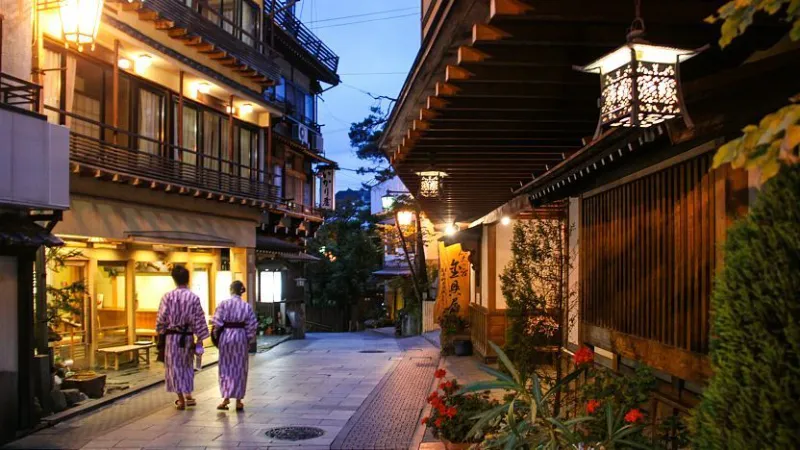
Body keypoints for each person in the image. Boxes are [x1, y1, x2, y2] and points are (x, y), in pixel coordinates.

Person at [156, 265, 209, 410]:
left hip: (172, 338)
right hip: (187, 338)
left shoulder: (167, 297)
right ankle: (189, 395)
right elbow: (199, 319)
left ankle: (181, 399)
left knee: (174, 368)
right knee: (187, 366)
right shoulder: (193, 297)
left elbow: (161, 320)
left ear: (174, 280)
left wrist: (161, 333)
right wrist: (200, 340)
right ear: (188, 279)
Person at [211, 280, 257, 411]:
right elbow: (252, 325)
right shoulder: (246, 306)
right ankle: (238, 401)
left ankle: (225, 399)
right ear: (241, 291)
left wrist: (216, 337)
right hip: (241, 336)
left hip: (226, 336)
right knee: (240, 368)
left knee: (225, 367)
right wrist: (247, 339)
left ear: (231, 290)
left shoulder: (223, 304)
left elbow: (217, 323)